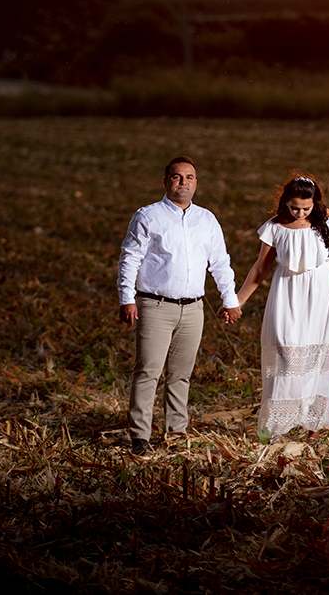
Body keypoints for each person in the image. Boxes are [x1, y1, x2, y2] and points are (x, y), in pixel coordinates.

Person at [118, 156, 240, 456]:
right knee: (148, 370)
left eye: (189, 177)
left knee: (181, 374)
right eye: (176, 177)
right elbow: (130, 258)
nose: (183, 182)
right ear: (166, 181)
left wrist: (230, 299)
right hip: (156, 306)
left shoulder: (207, 219)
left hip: (193, 308)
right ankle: (140, 436)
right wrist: (127, 297)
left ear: (196, 183)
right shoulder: (148, 216)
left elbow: (220, 262)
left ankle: (176, 432)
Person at [235, 175, 329, 441]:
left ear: (315, 203)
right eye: (294, 207)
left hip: (323, 292)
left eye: (305, 209)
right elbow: (260, 268)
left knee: (319, 356)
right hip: (289, 292)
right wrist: (237, 301)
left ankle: (314, 427)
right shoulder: (275, 227)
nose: (299, 213)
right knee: (288, 354)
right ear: (285, 201)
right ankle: (276, 428)